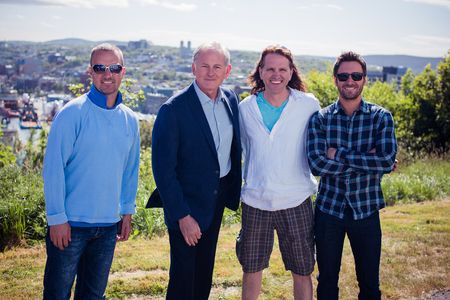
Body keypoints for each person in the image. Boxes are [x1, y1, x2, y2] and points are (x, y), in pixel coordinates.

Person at [42, 43, 140, 299]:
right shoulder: (71, 114)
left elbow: (130, 170)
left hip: (108, 226)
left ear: (123, 72)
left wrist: (126, 210)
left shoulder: (130, 119)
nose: (107, 74)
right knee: (57, 294)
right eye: (100, 68)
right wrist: (57, 218)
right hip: (70, 226)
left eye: (114, 68)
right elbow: (53, 170)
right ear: (90, 71)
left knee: (93, 296)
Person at [150, 42, 242, 300]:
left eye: (217, 67)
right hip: (186, 204)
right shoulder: (173, 109)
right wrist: (182, 216)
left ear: (227, 70)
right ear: (193, 68)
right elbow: (163, 170)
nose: (210, 72)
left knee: (204, 274)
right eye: (204, 66)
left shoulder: (231, 100)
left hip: (217, 199)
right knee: (183, 279)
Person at [307, 51, 397, 299]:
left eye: (356, 75)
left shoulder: (381, 118)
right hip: (328, 212)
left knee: (369, 284)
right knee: (326, 283)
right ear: (335, 79)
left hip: (366, 211)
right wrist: (368, 160)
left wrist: (338, 154)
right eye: (344, 75)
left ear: (364, 79)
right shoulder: (320, 119)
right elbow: (317, 165)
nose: (350, 80)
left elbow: (387, 159)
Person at [237, 45, 320, 300]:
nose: (276, 74)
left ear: (291, 71)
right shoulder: (245, 108)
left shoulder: (308, 104)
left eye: (282, 69)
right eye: (270, 68)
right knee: (251, 268)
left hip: (296, 200)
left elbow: (325, 141)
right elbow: (236, 149)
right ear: (260, 72)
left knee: (303, 269)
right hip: (255, 200)